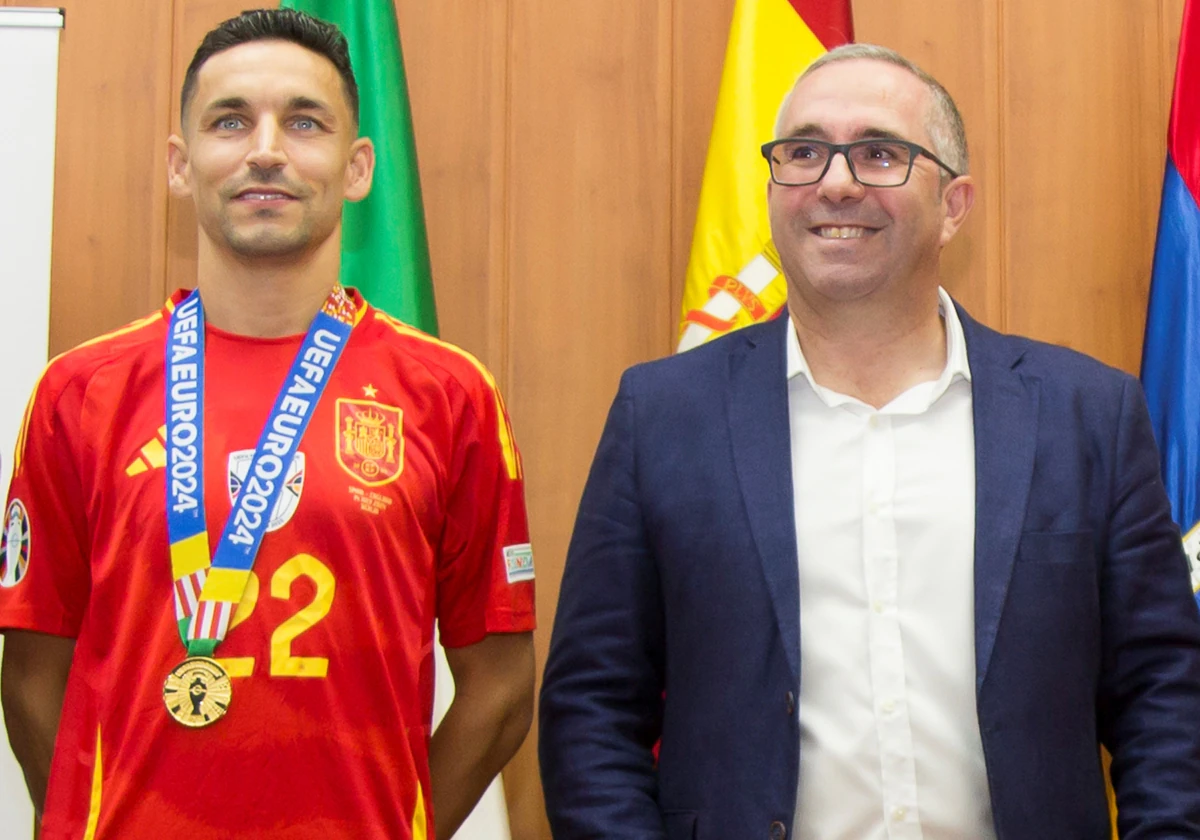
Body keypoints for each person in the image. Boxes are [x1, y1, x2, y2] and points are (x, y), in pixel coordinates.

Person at [539, 43, 1200, 839]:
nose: (836, 182)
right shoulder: (663, 414)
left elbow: (1166, 695)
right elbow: (592, 707)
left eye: (879, 153)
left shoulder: (1086, 414)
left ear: (955, 205)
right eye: (804, 152)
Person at [0, 10, 535, 839]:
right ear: (181, 166)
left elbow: (501, 689)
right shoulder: (79, 393)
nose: (266, 149)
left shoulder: (450, 396)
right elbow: (33, 674)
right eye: (230, 120)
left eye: (305, 121)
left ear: (359, 168)